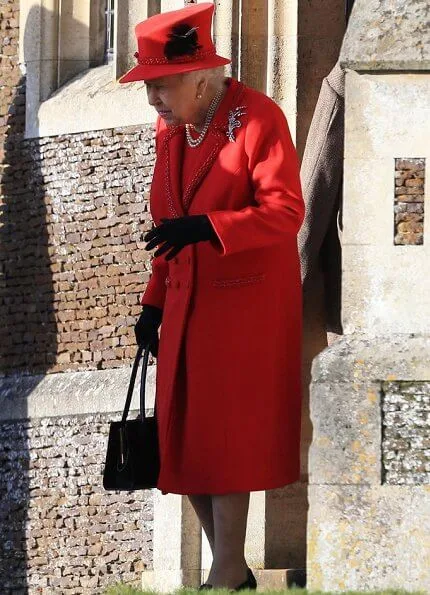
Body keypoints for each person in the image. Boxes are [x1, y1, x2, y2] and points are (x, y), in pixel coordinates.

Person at [119, 3, 305, 590]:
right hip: (183, 299)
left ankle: (226, 571)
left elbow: (285, 211)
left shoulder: (257, 118)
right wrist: (152, 301)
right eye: (148, 88)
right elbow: (166, 226)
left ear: (201, 77)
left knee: (225, 436)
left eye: (161, 86)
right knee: (182, 435)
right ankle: (230, 567)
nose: (153, 100)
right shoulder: (171, 131)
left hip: (243, 306)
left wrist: (211, 227)